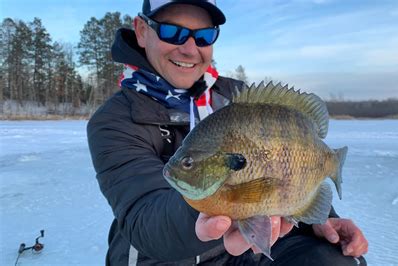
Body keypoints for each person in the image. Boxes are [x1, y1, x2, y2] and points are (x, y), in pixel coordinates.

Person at [87, 1, 369, 265]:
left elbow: (288, 164)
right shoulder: (114, 121)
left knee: (335, 259)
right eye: (172, 32)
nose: (189, 48)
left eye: (204, 36)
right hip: (163, 257)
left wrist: (321, 219)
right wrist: (217, 206)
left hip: (249, 249)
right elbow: (144, 219)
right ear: (141, 31)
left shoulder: (235, 95)